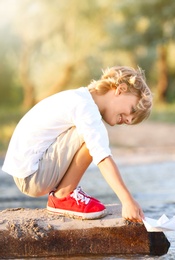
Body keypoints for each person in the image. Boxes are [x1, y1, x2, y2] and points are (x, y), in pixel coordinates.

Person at [2, 66, 152, 222]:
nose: (129, 120)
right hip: (32, 176)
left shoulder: (80, 99)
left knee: (94, 132)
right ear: (120, 89)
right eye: (132, 110)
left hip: (30, 171)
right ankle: (63, 196)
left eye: (133, 120)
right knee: (94, 137)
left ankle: (65, 192)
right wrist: (127, 200)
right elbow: (102, 157)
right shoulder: (84, 107)